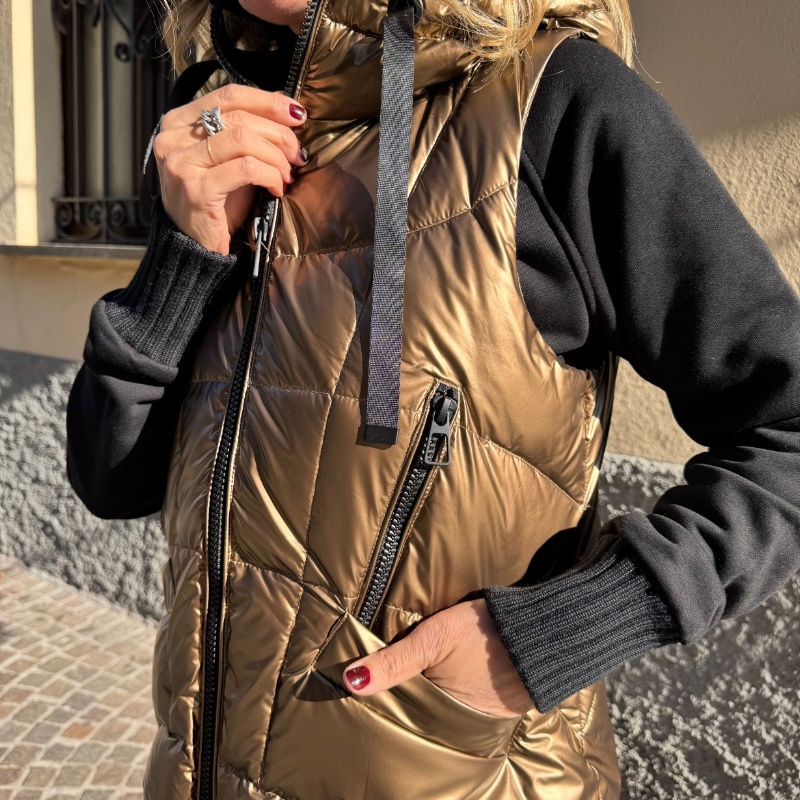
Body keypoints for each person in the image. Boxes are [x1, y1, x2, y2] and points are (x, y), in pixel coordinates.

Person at [65, 0, 800, 796]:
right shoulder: (228, 118)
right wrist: (183, 255)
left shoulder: (553, 100)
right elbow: (110, 480)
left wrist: (567, 629)